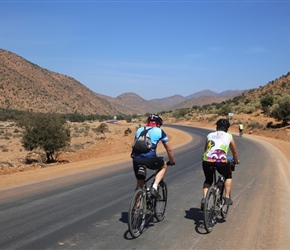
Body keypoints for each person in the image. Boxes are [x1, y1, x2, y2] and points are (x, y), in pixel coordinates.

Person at [131, 114, 175, 197]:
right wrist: (172, 161)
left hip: (136, 159)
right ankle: (154, 187)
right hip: (150, 159)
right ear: (158, 124)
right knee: (163, 165)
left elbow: (134, 145)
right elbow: (169, 149)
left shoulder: (139, 130)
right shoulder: (159, 131)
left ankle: (136, 208)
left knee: (140, 183)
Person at [201, 118, 239, 210]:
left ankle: (205, 199)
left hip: (207, 160)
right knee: (228, 175)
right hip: (221, 161)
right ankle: (226, 197)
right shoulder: (229, 136)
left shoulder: (209, 135)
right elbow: (234, 152)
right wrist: (236, 161)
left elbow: (206, 149)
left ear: (217, 127)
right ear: (227, 128)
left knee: (208, 180)